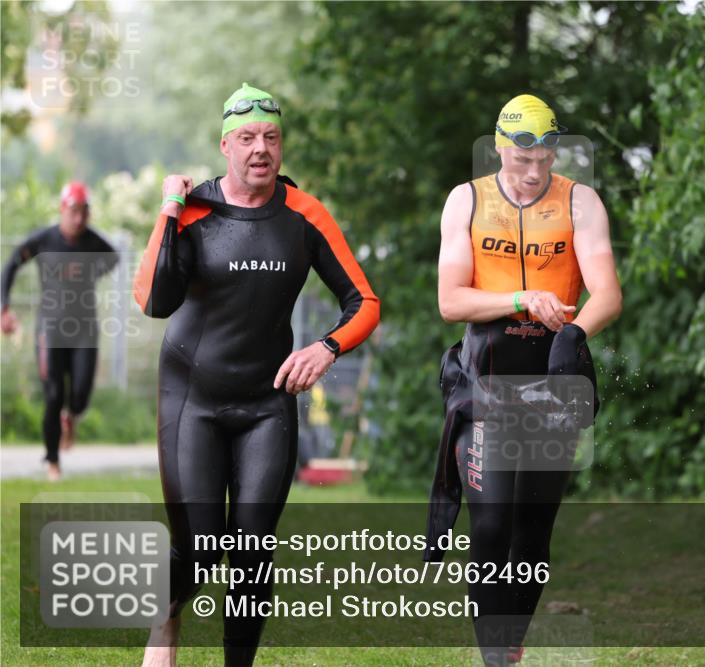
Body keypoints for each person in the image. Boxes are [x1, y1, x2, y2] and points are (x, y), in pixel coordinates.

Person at [133, 82, 380, 667]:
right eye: (246, 138)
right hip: (192, 395)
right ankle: (164, 618)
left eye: (270, 137)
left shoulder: (303, 213)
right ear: (225, 145)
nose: (260, 149)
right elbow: (153, 299)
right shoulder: (194, 210)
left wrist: (327, 348)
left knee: (251, 553)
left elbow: (364, 301)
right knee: (198, 548)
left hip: (267, 403)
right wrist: (169, 208)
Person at [423, 94, 622, 666]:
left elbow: (607, 291)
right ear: (501, 148)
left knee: (531, 537)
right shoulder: (467, 200)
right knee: (489, 526)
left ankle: (508, 646)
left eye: (546, 160)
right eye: (522, 160)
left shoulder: (580, 202)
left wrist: (572, 335)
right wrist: (520, 299)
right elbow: (450, 300)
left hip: (549, 387)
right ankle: (494, 661)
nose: (535, 173)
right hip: (484, 383)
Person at [0, 181, 119, 481]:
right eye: (74, 211)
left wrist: (89, 273)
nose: (79, 219)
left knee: (79, 395)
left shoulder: (93, 243)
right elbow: (11, 266)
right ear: (62, 209)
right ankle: (52, 461)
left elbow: (114, 258)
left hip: (84, 330)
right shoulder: (44, 241)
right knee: (53, 396)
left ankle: (72, 416)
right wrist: (4, 308)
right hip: (50, 330)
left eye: (84, 213)